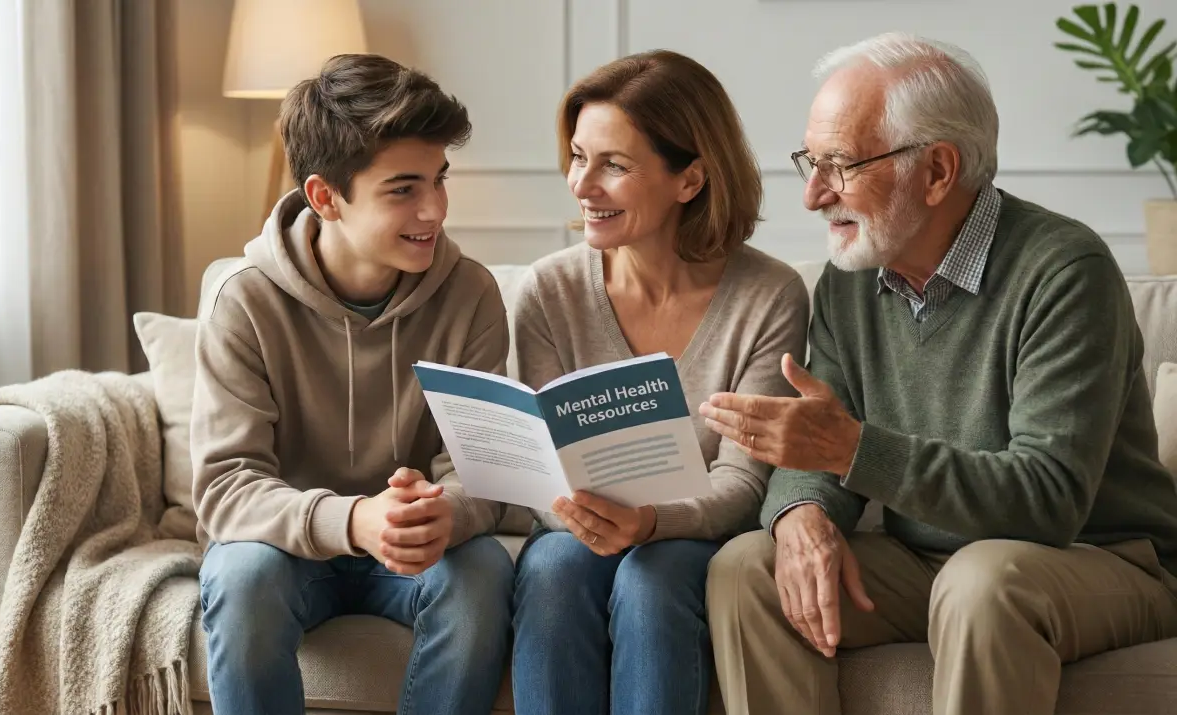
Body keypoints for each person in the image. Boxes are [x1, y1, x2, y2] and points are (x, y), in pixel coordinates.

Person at [702, 32, 1177, 715]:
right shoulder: (850, 281)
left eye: (839, 164)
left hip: (1096, 557)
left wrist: (851, 448)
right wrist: (801, 513)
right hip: (929, 562)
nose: (812, 194)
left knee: (982, 582)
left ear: (937, 171)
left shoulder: (1065, 271)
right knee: (747, 569)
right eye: (811, 161)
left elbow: (1048, 499)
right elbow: (817, 440)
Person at [190, 54, 514, 715]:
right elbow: (227, 488)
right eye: (403, 189)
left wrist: (447, 511)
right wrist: (354, 519)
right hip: (286, 549)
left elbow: (485, 471)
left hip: (415, 555)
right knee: (241, 573)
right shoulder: (242, 300)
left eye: (438, 179)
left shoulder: (471, 295)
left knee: (481, 570)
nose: (434, 209)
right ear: (325, 197)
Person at [510, 49, 810, 715]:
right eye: (578, 157)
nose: (583, 185)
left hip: (693, 539)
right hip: (575, 535)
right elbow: (537, 473)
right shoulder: (548, 291)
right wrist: (583, 516)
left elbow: (744, 481)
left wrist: (650, 521)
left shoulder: (768, 296)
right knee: (553, 568)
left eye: (614, 165)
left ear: (690, 179)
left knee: (653, 576)